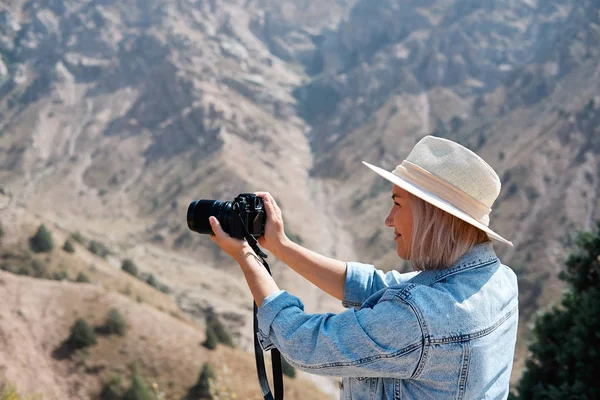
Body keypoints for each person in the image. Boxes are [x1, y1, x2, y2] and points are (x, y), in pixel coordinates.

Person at [208, 135, 518, 399]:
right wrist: (280, 245)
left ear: (431, 215)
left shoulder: (421, 321)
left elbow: (304, 343)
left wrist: (246, 258)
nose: (388, 219)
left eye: (397, 203)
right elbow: (376, 286)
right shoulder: (498, 280)